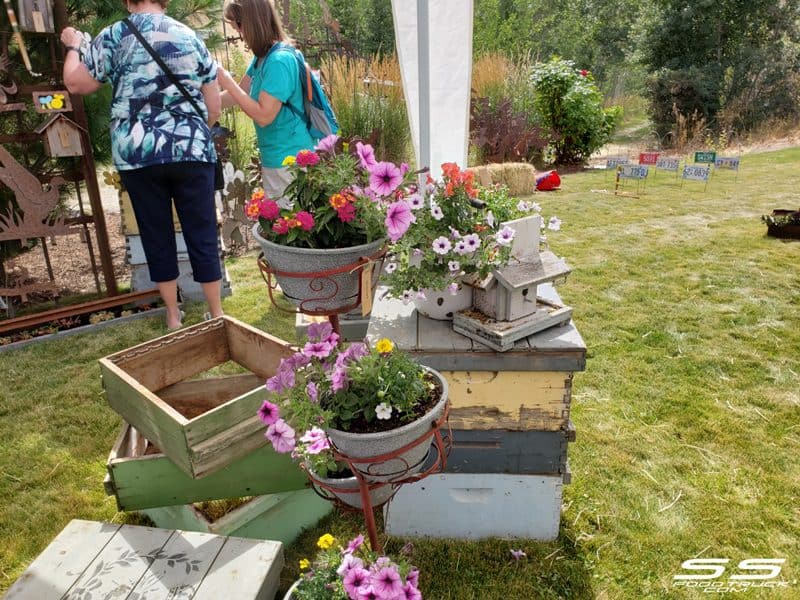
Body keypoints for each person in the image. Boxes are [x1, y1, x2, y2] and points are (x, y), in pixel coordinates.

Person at [61, 0, 224, 330]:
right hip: (190, 149)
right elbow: (214, 105)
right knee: (202, 232)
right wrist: (188, 132)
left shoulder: (114, 35)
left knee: (155, 232)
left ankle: (173, 315)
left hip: (138, 154)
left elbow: (77, 84)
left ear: (127, 1)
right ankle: (217, 314)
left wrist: (75, 46)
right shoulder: (190, 36)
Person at [217, 0, 314, 205]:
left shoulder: (278, 61)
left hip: (289, 160)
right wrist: (199, 103)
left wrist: (226, 79)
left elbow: (264, 116)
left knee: (289, 227)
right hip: (275, 157)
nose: (240, 36)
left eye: (238, 28)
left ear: (251, 23)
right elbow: (239, 93)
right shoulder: (262, 58)